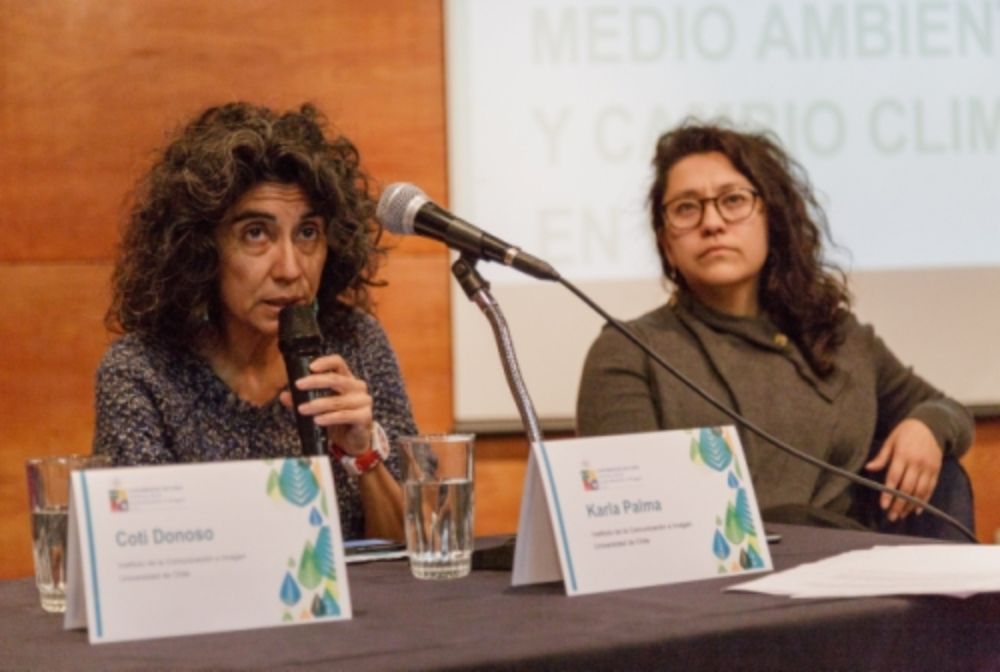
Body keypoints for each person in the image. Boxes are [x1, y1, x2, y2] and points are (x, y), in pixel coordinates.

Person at [576, 121, 974, 534]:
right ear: (666, 243)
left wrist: (927, 425)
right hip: (713, 585)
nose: (711, 222)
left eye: (733, 200)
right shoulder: (629, 351)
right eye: (686, 208)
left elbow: (950, 411)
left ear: (773, 219)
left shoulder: (839, 337)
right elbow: (627, 520)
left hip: (855, 581)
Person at [94, 102, 416, 541]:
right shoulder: (143, 373)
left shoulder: (354, 343)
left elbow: (414, 555)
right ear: (202, 250)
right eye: (256, 234)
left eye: (307, 233)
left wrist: (363, 456)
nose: (289, 268)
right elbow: (138, 553)